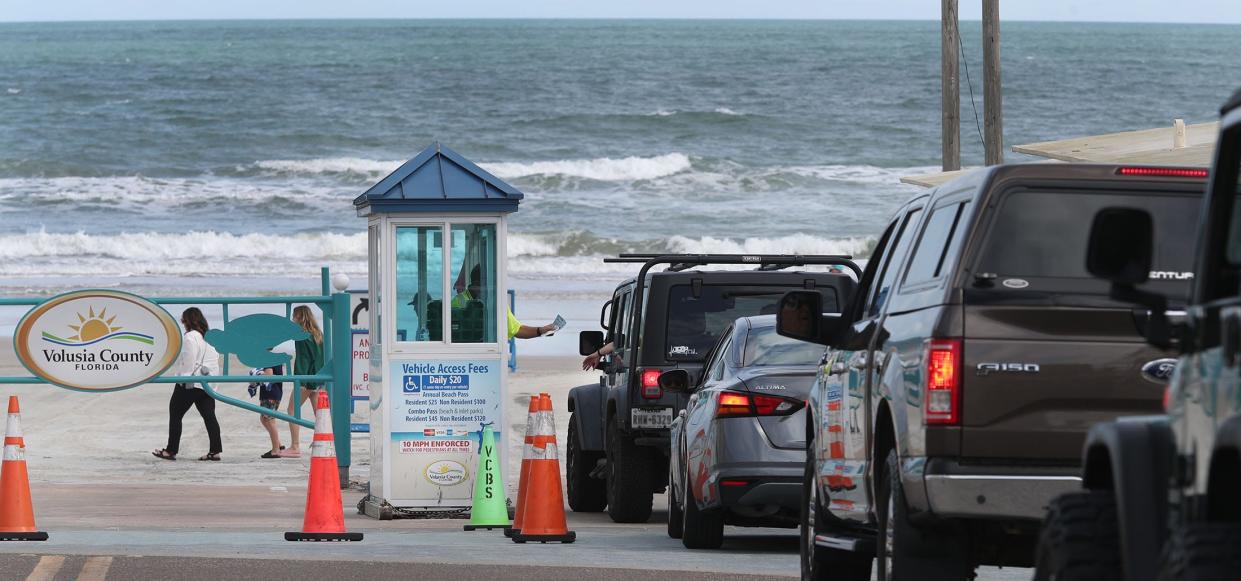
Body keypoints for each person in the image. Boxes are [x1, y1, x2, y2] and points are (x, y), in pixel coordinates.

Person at [153, 307, 223, 461]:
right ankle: (215, 451)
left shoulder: (190, 337)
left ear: (187, 321)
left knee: (176, 414)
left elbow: (188, 364)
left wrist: (180, 380)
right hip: (207, 383)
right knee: (209, 416)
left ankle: (171, 451)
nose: (182, 323)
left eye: (183, 320)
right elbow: (214, 361)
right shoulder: (209, 337)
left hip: (191, 383)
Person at [282, 305, 323, 458]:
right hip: (318, 377)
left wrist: (302, 381)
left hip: (305, 378)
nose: (292, 319)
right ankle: (325, 442)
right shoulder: (318, 334)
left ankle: (295, 446)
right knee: (320, 414)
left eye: (294, 316)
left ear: (299, 317)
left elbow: (304, 360)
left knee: (292, 411)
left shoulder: (301, 335)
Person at [254, 362, 285, 459]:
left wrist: (256, 373)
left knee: (269, 420)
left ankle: (275, 450)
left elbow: (269, 375)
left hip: (270, 393)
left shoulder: (269, 359)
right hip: (274, 392)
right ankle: (279, 445)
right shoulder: (277, 357)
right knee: (264, 419)